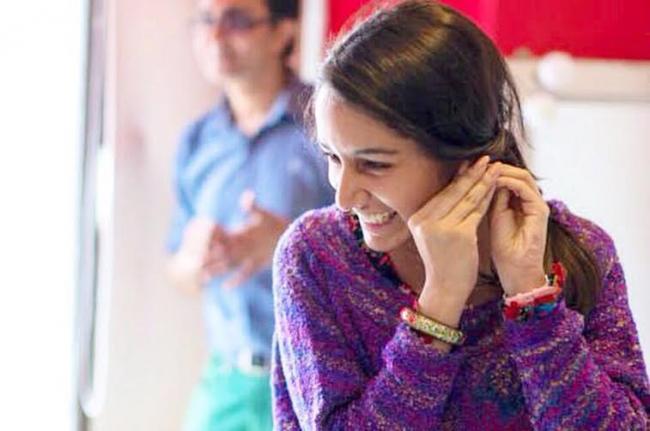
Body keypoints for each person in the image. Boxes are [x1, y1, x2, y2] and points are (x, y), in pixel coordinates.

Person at [271, 1, 650, 429]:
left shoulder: (581, 252)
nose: (344, 196)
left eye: (374, 164)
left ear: (464, 156)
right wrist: (438, 307)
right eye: (332, 157)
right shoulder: (316, 256)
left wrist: (531, 296)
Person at [166, 0, 333, 429]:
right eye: (206, 19)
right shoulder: (197, 141)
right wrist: (197, 258)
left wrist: (288, 243)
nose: (215, 35)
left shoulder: (329, 123)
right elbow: (178, 272)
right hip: (224, 381)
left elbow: (379, 254)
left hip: (313, 379)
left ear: (283, 32)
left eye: (237, 20)